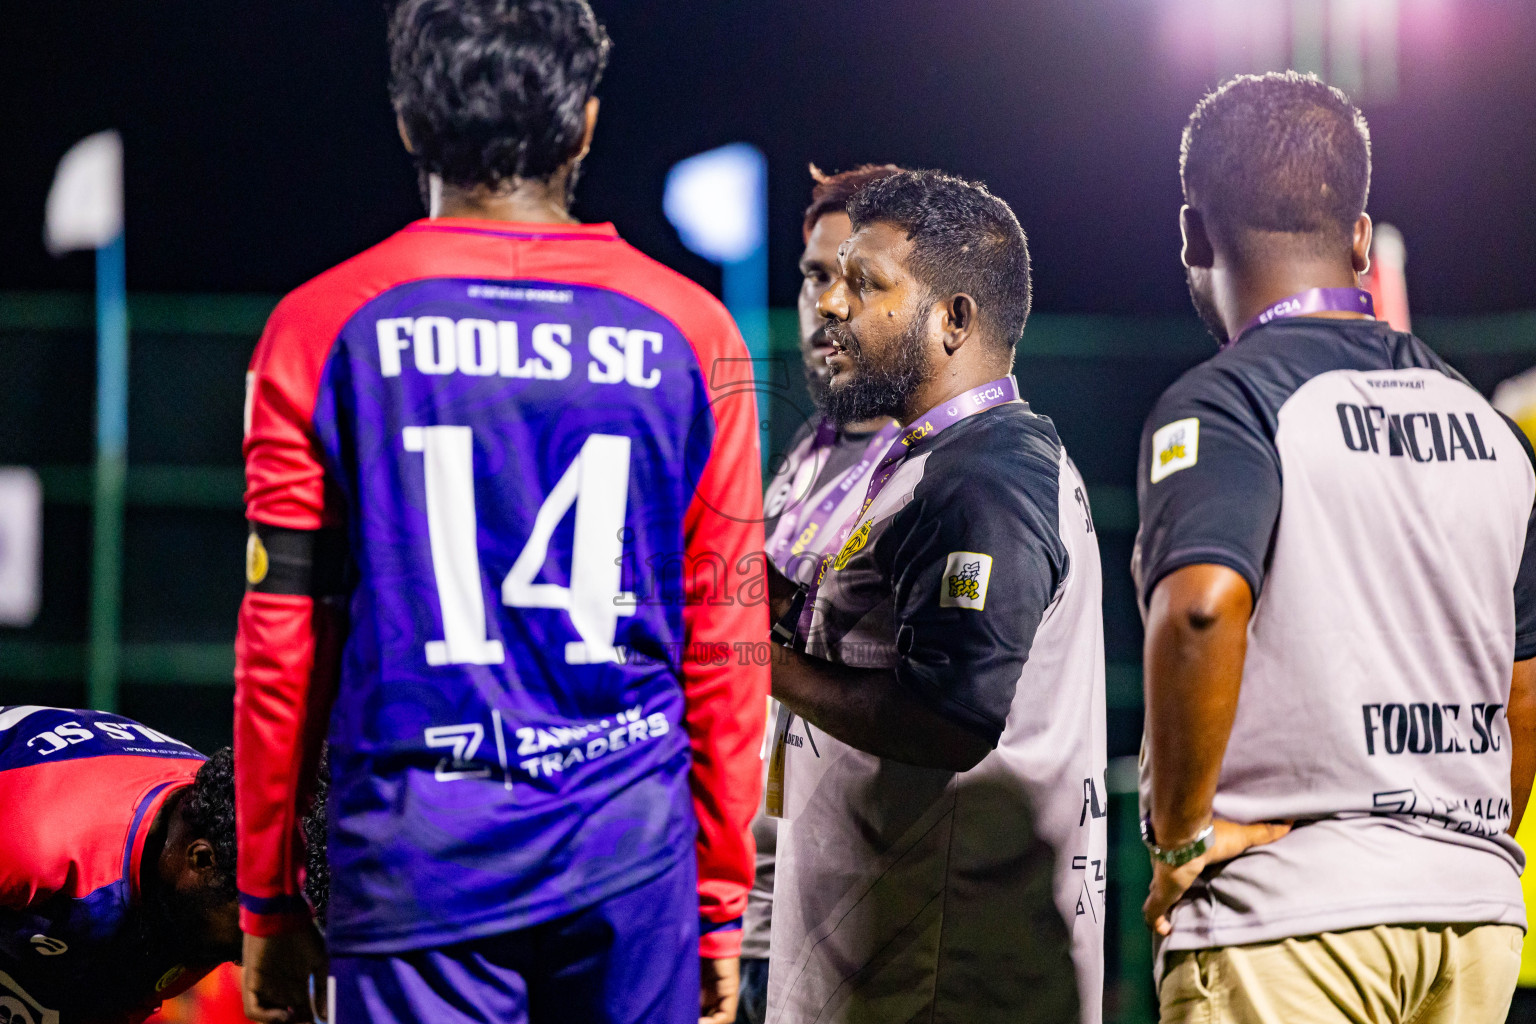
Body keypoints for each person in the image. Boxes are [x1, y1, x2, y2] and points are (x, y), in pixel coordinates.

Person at [233, 2, 768, 1023]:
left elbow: (282, 637)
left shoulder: (318, 327)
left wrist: (269, 891)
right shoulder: (696, 334)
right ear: (586, 125)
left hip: (417, 856)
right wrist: (716, 905)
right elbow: (726, 638)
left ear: (406, 120)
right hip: (628, 853)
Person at [1134, 71, 1536, 1024]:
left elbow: (1199, 606)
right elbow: (1528, 682)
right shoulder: (1488, 424)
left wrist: (1182, 841)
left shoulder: (1227, 401)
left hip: (1290, 918)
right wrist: (1465, 836)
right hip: (1472, 915)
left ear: (1193, 235)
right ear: (1360, 240)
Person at [765, 169, 1108, 1023]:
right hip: (900, 959)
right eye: (831, 278)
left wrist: (756, 665)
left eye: (867, 283)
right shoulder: (931, 458)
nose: (833, 305)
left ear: (954, 320)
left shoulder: (983, 477)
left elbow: (949, 716)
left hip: (946, 974)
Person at [740, 162, 902, 1024]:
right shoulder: (812, 445)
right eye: (812, 276)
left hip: (858, 921)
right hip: (756, 911)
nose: (827, 303)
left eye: (853, 278)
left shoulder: (943, 462)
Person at [0, 706, 323, 1024]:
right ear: (201, 859)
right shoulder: (34, 840)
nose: (245, 957)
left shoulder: (218, 849)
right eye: (248, 932)